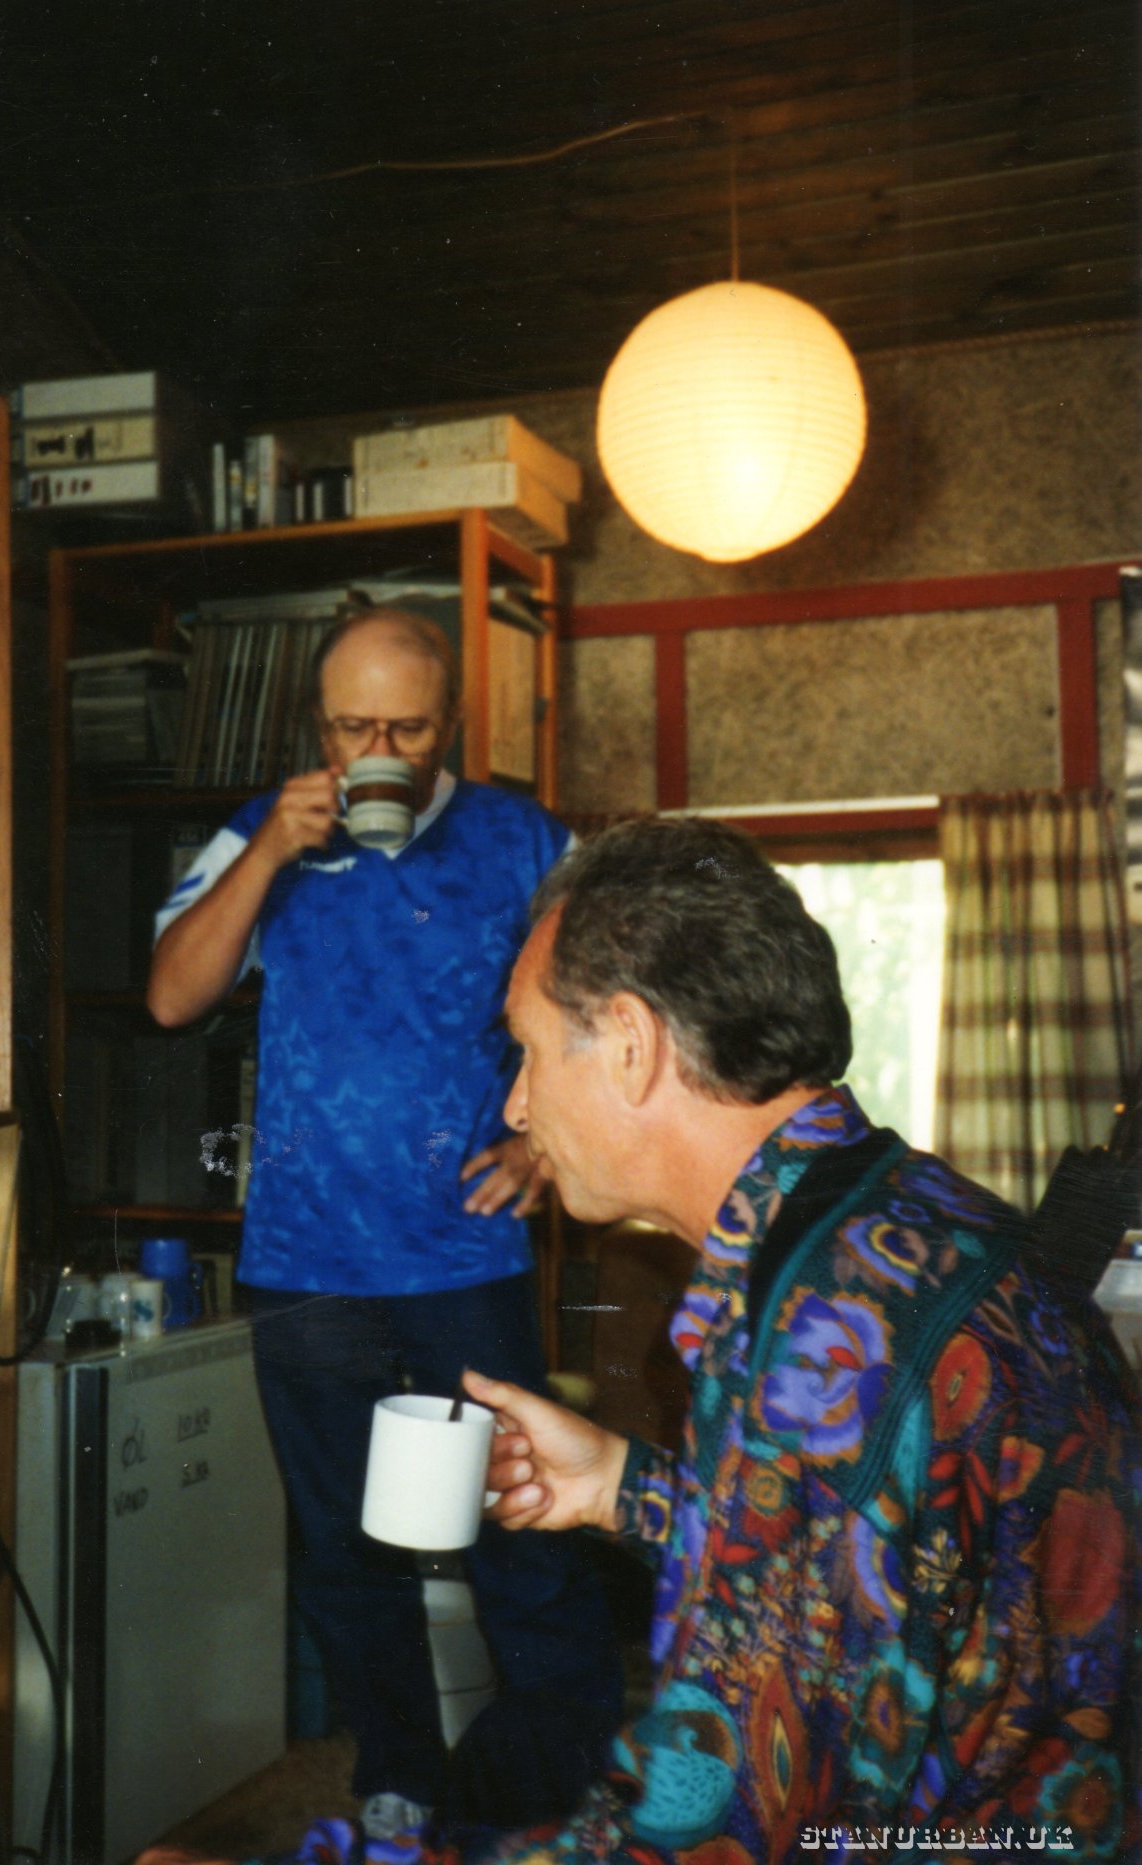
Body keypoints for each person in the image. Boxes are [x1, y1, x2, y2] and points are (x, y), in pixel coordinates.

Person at [142, 813, 1139, 1865]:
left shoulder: (820, 1352)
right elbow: (862, 1558)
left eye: (526, 1051)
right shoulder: (909, 1216)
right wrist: (627, 1484)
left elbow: (701, 1839)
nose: (515, 1106)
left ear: (629, 1044)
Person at [146, 607, 621, 1835]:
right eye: (352, 727)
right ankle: (397, 1775)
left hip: (462, 1252)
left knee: (520, 1528)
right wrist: (268, 850)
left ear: (449, 720)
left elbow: (615, 1008)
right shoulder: (263, 829)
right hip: (303, 1260)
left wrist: (543, 1145)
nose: (379, 751)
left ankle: (564, 1781)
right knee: (344, 1543)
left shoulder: (526, 840)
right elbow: (171, 996)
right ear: (319, 726)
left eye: (405, 728)